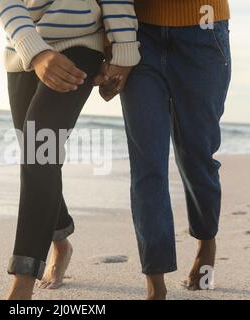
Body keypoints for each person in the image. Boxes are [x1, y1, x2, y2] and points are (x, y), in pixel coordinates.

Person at [0, 0, 140, 300]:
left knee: (37, 151)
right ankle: (61, 239)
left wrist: (123, 54)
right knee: (40, 157)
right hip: (23, 45)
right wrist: (35, 51)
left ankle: (22, 286)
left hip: (81, 44)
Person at [98, 0, 232, 299]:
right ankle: (155, 283)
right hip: (139, 35)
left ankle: (206, 240)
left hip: (203, 30)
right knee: (147, 164)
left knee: (197, 155)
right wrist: (111, 42)